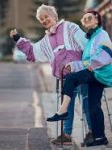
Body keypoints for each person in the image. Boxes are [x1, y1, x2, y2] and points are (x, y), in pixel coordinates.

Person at [10, 4, 92, 144]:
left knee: (87, 102)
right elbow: (33, 52)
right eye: (41, 19)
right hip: (66, 77)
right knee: (67, 105)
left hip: (82, 72)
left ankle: (93, 132)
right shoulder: (47, 40)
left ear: (54, 16)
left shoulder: (69, 27)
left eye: (46, 16)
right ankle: (66, 135)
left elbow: (86, 44)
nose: (44, 20)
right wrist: (18, 39)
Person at [47, 10, 112, 147]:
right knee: (93, 106)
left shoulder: (102, 34)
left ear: (97, 20)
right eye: (84, 18)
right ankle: (100, 137)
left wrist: (91, 65)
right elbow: (85, 61)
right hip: (96, 73)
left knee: (71, 79)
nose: (86, 20)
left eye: (89, 17)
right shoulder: (91, 38)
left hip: (101, 72)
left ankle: (62, 111)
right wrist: (73, 65)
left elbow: (107, 54)